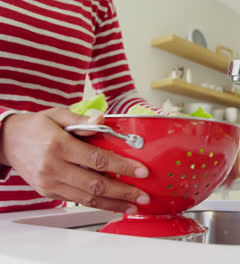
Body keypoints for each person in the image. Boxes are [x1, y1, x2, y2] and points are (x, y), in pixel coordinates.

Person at [0, 0, 169, 214]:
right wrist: (6, 135)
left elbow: (119, 95)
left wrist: (189, 127)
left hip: (46, 219)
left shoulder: (98, 4)